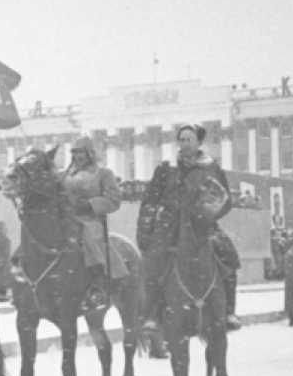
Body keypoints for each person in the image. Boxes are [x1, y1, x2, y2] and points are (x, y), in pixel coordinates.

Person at [137, 123, 233, 336]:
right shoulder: (166, 167)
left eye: (190, 139)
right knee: (153, 260)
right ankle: (151, 314)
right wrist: (146, 231)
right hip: (169, 224)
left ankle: (229, 311)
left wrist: (208, 214)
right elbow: (150, 200)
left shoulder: (211, 168)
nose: (185, 143)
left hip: (203, 224)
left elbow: (225, 200)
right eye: (182, 139)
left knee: (227, 254)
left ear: (199, 142)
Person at [62, 135, 127, 311]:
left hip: (90, 219)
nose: (78, 157)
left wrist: (89, 205)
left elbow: (114, 199)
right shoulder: (63, 175)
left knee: (88, 236)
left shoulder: (103, 173)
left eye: (82, 152)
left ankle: (98, 282)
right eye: (75, 153)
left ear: (90, 153)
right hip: (66, 219)